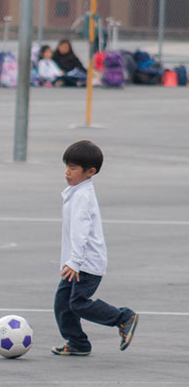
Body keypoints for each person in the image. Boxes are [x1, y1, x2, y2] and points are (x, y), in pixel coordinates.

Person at [52, 140, 139, 356]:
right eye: (66, 166)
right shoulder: (75, 192)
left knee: (78, 303)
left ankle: (123, 317)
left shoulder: (82, 196)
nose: (67, 172)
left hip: (86, 265)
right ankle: (77, 343)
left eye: (73, 168)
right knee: (63, 303)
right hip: (76, 263)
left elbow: (81, 233)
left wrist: (74, 261)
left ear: (90, 171)